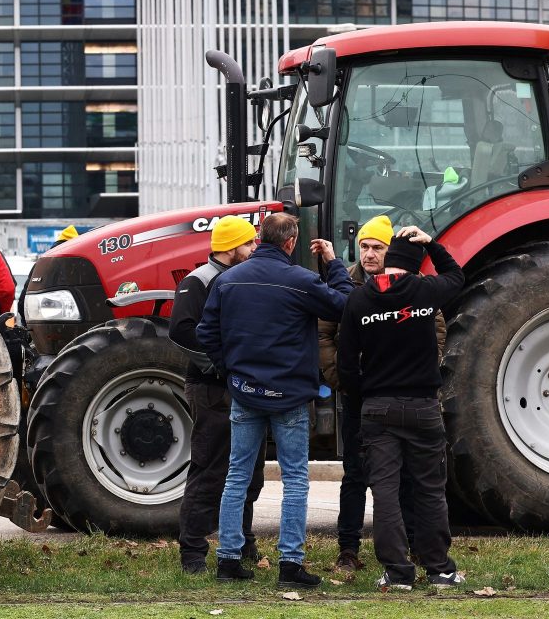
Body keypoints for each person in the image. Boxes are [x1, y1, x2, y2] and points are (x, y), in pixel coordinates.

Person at [198, 212, 352, 588]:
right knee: (296, 479)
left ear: (260, 238)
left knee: (236, 476)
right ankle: (290, 565)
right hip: (290, 396)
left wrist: (229, 371)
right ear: (290, 242)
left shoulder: (227, 281)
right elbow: (346, 305)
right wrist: (333, 263)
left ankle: (227, 560)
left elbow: (206, 334)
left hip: (245, 393)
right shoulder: (300, 281)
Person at [337, 226, 465, 592]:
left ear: (389, 260)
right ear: (413, 265)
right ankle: (439, 569)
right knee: (428, 490)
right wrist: (433, 244)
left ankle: (397, 573)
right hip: (424, 407)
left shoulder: (359, 301)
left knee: (386, 492)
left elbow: (346, 364)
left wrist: (364, 398)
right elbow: (456, 276)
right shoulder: (425, 291)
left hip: (378, 409)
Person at [316, 216, 444, 573]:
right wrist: (343, 382)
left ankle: (413, 546)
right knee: (355, 473)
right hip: (358, 395)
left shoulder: (413, 285)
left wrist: (422, 370)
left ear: (390, 251)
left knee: (404, 478)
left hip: (392, 394)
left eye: (378, 248)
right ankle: (348, 548)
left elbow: (437, 330)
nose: (370, 254)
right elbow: (326, 335)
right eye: (364, 247)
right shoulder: (346, 284)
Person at [168, 215, 262, 575]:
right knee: (210, 470)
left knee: (249, 472)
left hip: (241, 387)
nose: (255, 249)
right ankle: (193, 552)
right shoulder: (198, 282)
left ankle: (242, 541)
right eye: (249, 243)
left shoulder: (238, 277)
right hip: (212, 389)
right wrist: (221, 366)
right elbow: (181, 333)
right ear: (232, 247)